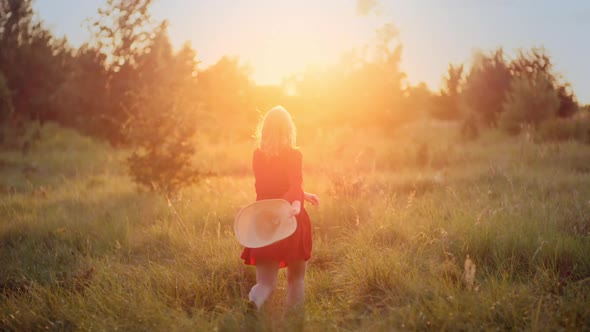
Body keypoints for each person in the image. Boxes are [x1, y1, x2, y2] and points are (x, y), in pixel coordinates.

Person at [241, 105, 319, 311]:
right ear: (289, 129)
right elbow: (293, 185)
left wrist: (304, 195)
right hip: (289, 219)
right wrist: (295, 204)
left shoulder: (258, 155)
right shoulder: (294, 155)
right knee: (296, 279)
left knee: (265, 283)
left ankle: (254, 302)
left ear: (265, 129)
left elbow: (269, 188)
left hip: (263, 218)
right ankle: (293, 320)